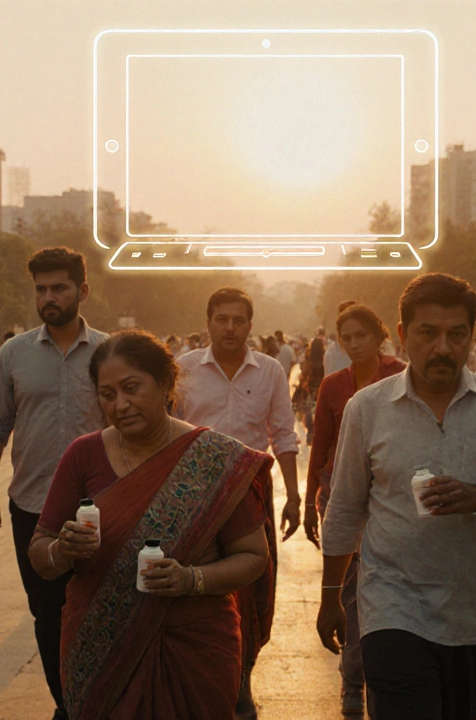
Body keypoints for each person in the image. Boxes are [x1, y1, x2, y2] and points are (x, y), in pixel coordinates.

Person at [317, 273, 476, 720]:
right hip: (392, 607)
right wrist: (331, 596)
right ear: (403, 334)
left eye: (456, 335)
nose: (443, 348)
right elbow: (346, 508)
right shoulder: (367, 409)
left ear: (472, 335)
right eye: (428, 334)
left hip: (473, 612)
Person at [29, 331, 271, 720]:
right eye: (107, 395)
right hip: (101, 647)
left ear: (166, 384)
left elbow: (254, 555)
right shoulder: (83, 455)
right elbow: (41, 552)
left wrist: (191, 579)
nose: (120, 405)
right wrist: (62, 550)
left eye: (131, 388)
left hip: (196, 648)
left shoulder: (214, 459)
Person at [0, 246, 108, 719]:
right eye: (41, 290)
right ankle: (67, 704)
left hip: (101, 507)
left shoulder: (109, 353)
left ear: (82, 291)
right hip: (32, 507)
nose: (49, 297)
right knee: (47, 614)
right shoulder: (14, 354)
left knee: (102, 613)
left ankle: (94, 703)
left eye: (59, 288)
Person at [175, 287, 301, 720]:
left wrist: (294, 496)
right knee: (199, 591)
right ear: (208, 322)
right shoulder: (183, 370)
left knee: (255, 592)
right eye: (222, 319)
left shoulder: (269, 371)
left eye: (238, 320)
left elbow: (283, 434)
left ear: (250, 325)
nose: (229, 327)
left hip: (252, 496)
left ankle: (242, 680)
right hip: (194, 499)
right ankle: (207, 683)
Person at [302, 304, 406, 717]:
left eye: (361, 335)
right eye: (346, 337)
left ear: (380, 336)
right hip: (340, 495)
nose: (354, 344)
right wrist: (309, 500)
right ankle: (352, 683)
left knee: (385, 592)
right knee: (348, 594)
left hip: (388, 496)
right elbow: (320, 446)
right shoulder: (333, 385)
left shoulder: (401, 377)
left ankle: (379, 681)